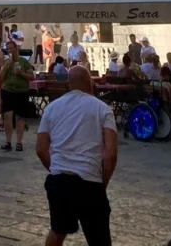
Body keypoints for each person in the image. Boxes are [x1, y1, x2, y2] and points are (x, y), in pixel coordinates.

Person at [36, 65, 118, 246]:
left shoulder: (51, 108)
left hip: (59, 181)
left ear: (68, 84)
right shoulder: (103, 109)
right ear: (90, 84)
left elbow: (41, 149)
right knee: (99, 240)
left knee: (57, 231)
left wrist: (57, 168)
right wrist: (102, 182)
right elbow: (111, 154)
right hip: (89, 180)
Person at [0, 36, 34, 152]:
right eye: (7, 49)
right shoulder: (6, 62)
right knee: (7, 117)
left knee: (20, 117)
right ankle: (8, 141)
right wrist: (5, 67)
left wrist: (20, 73)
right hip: (8, 91)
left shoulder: (24, 62)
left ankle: (19, 142)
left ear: (16, 49)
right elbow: (0, 78)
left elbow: (31, 77)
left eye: (11, 48)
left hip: (21, 92)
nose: (9, 51)